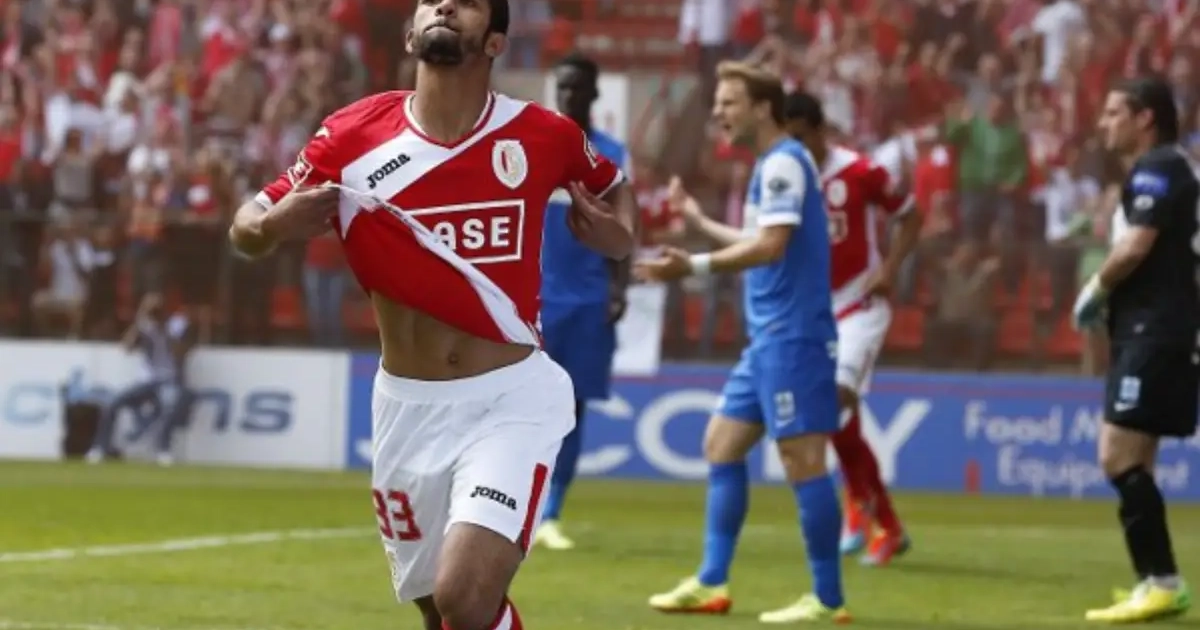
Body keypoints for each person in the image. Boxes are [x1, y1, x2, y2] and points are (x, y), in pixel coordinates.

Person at [227, 2, 636, 629]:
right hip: (407, 409)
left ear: (495, 42)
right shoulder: (351, 135)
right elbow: (246, 227)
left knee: (463, 597)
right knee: (438, 612)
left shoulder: (542, 135)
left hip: (510, 399)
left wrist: (616, 237)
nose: (443, 4)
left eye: (467, 1)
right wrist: (272, 226)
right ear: (410, 33)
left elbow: (616, 192)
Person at [636, 61, 848, 624]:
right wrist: (698, 222)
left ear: (762, 108)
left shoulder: (783, 163)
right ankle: (712, 581)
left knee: (803, 460)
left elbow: (770, 247)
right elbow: (759, 238)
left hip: (795, 336)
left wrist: (693, 266)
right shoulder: (773, 166)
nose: (718, 114)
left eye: (729, 103)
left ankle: (827, 599)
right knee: (721, 444)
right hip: (769, 340)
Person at [1073, 76, 1198, 623]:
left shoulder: (1157, 168)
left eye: (1113, 113)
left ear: (1145, 118)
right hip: (1160, 327)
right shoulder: (1175, 167)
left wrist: (1096, 288)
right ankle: (1154, 581)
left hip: (1156, 329)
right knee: (1137, 457)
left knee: (1116, 454)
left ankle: (1163, 581)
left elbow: (1135, 246)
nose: (1103, 123)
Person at [782, 91, 922, 566]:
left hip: (861, 305)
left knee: (834, 401)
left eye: (802, 137)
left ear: (821, 131)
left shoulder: (860, 172)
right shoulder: (785, 177)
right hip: (815, 314)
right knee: (838, 422)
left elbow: (911, 214)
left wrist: (892, 268)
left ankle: (885, 523)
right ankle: (863, 505)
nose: (796, 148)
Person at [534, 51, 633, 552]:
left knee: (570, 408)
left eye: (577, 87)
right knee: (521, 403)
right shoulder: (533, 144)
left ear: (594, 93)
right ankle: (514, 501)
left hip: (588, 298)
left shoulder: (611, 155)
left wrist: (620, 287)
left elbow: (627, 226)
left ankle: (551, 512)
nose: (568, 94)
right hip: (534, 296)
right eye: (562, 86)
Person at [86, 293, 197, 466]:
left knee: (171, 405)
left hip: (170, 380)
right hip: (147, 381)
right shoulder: (145, 326)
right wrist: (139, 320)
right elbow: (126, 347)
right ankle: (99, 447)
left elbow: (181, 353)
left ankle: (163, 449)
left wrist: (164, 330)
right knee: (113, 403)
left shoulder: (176, 325)